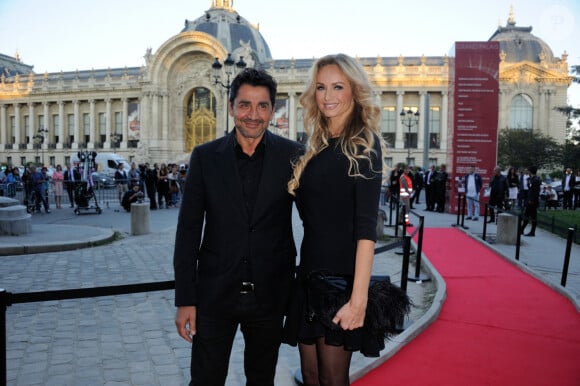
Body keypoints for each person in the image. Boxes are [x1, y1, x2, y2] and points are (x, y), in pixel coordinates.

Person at [173, 68, 303, 386]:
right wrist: (185, 300)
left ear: (273, 110)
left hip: (270, 296)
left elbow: (318, 219)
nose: (253, 115)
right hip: (214, 295)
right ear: (231, 107)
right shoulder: (204, 157)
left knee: (261, 381)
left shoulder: (293, 156)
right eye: (245, 105)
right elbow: (188, 231)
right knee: (205, 380)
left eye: (262, 106)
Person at [283, 53, 387, 385]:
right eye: (321, 87)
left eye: (338, 87)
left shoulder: (364, 146)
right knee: (311, 376)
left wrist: (359, 301)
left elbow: (366, 231)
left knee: (332, 378)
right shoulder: (313, 147)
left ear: (354, 91)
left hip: (340, 284)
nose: (328, 96)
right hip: (308, 277)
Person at [521, 165, 541, 236]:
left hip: (532, 201)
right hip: (529, 199)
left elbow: (535, 191)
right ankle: (522, 229)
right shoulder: (531, 179)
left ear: (530, 171)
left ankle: (532, 231)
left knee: (532, 216)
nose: (527, 172)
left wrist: (531, 200)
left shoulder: (536, 180)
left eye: (528, 170)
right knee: (527, 215)